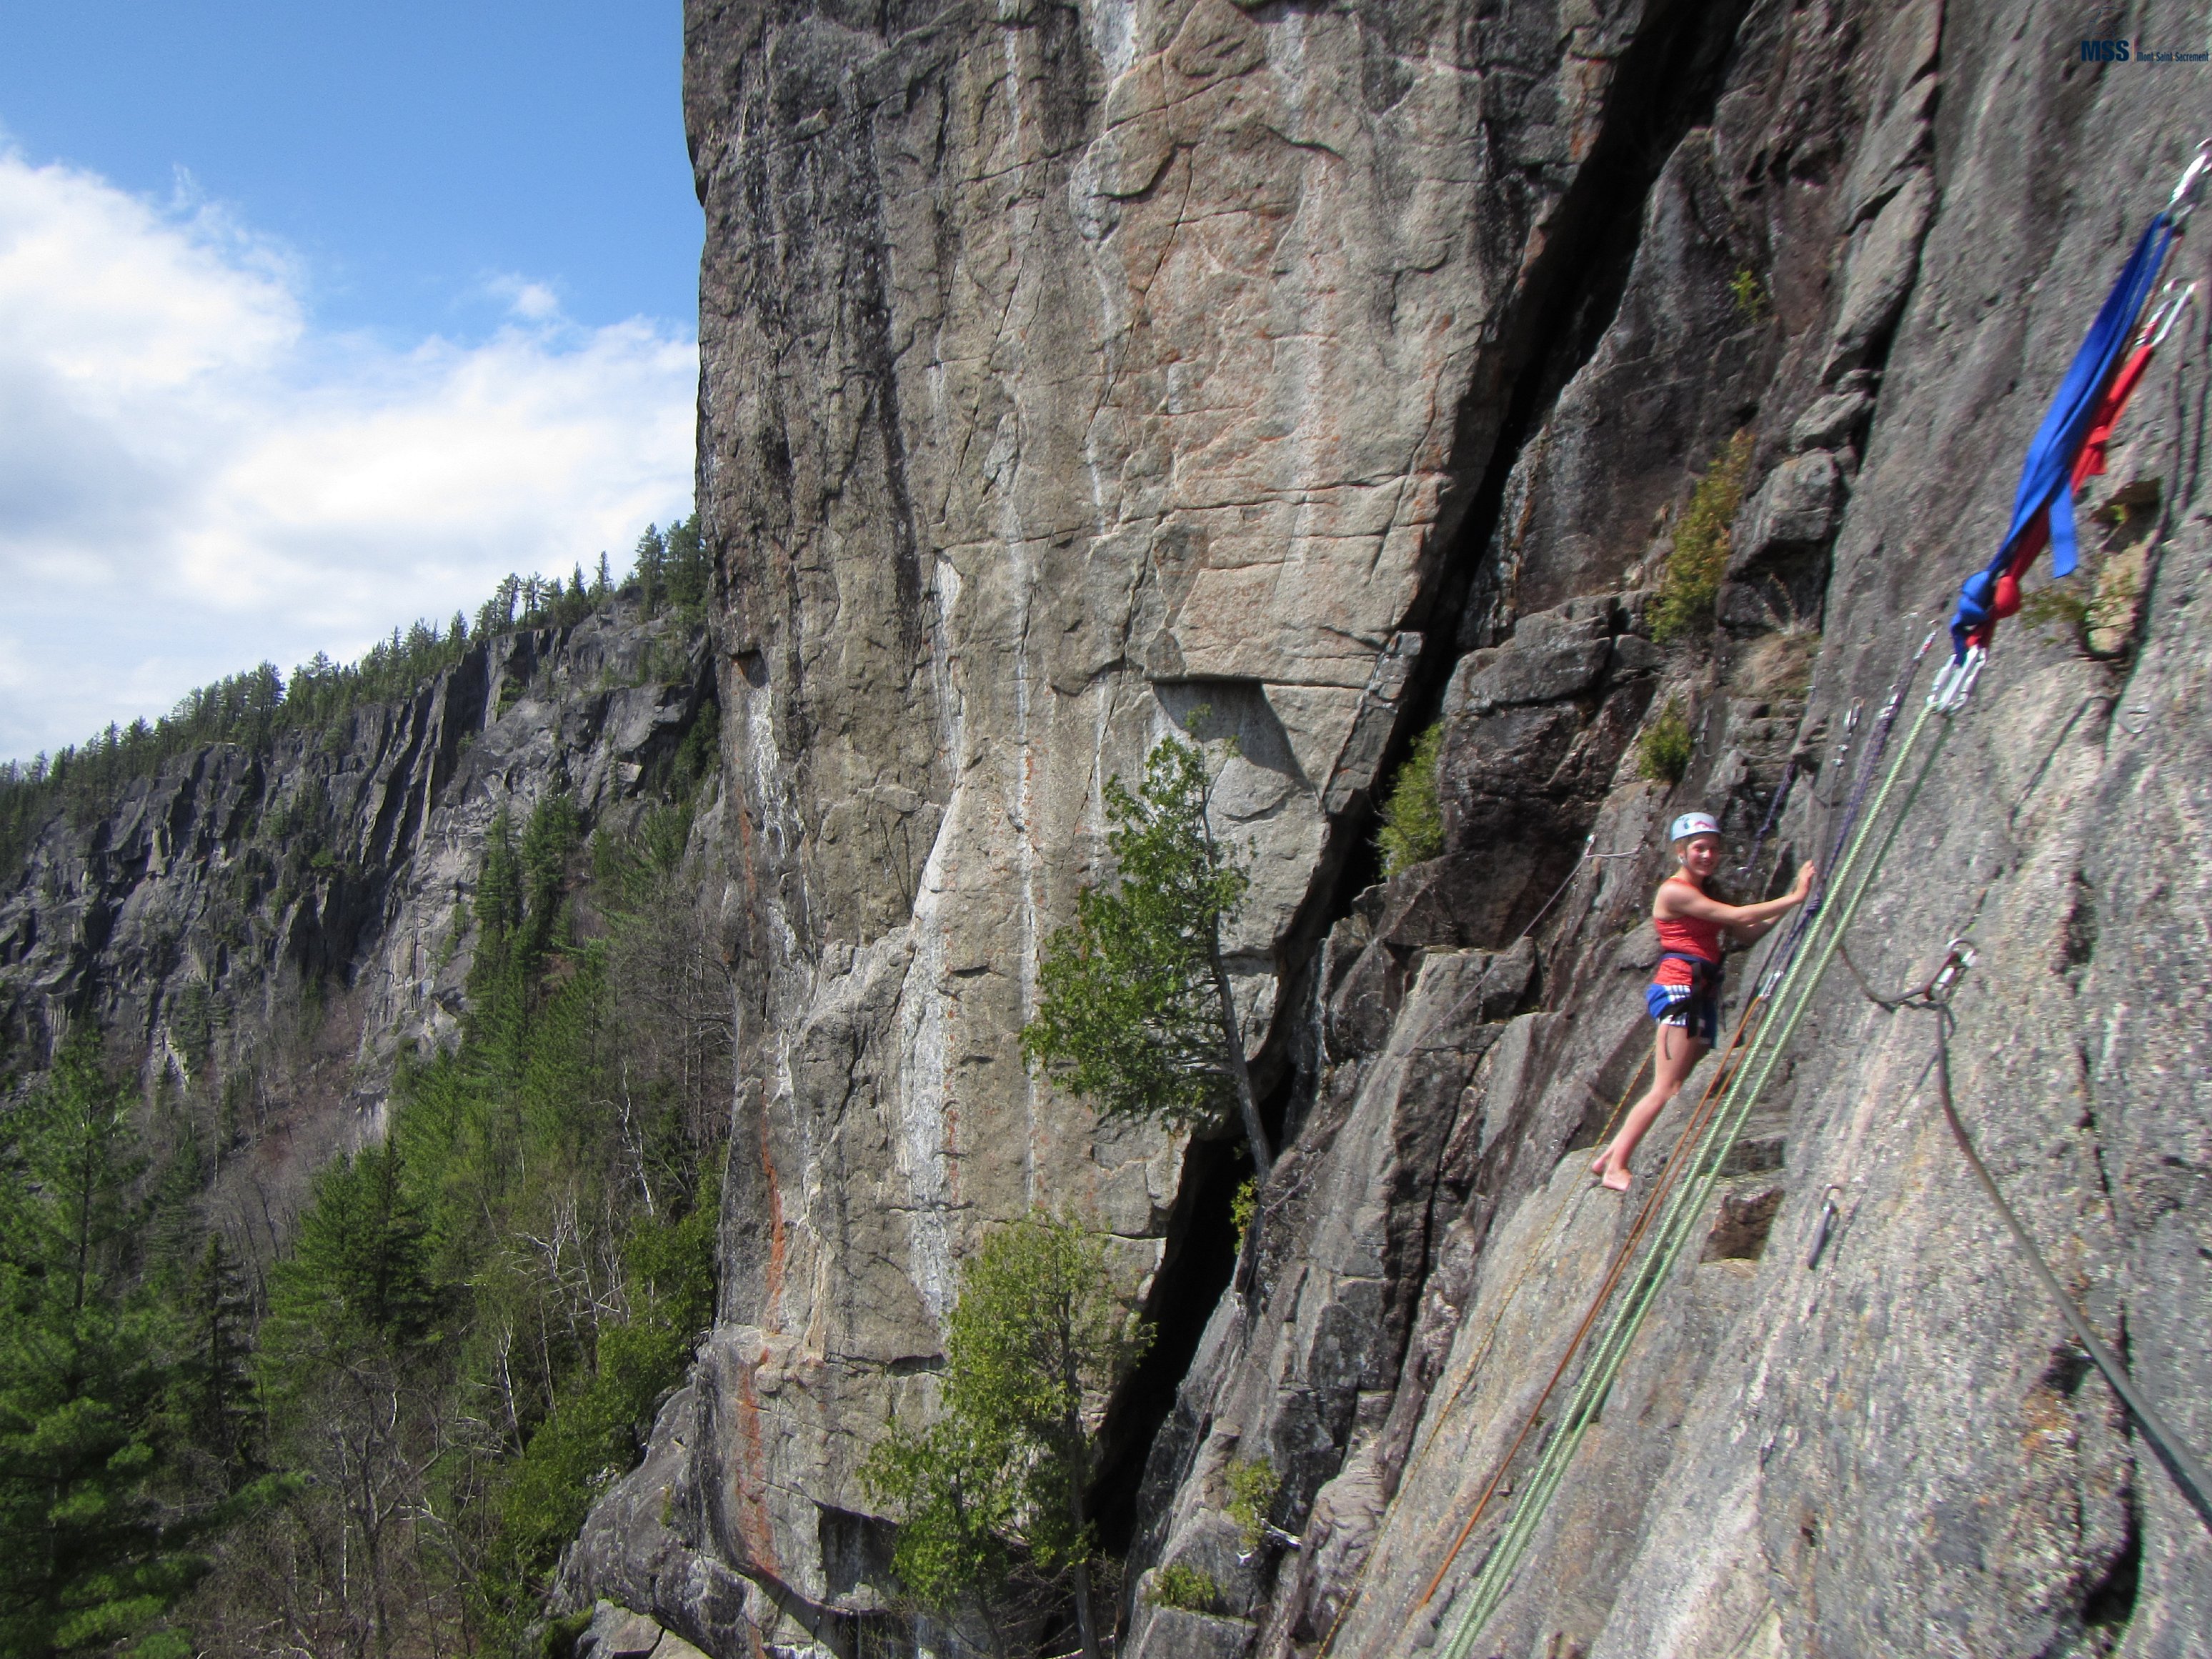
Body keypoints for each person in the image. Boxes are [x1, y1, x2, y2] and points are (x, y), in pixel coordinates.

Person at [1589, 812, 1815, 1192]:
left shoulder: (1706, 893)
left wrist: (1792, 907)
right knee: (1667, 1087)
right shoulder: (1675, 891)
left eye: (1713, 848)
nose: (1708, 855)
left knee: (1676, 1082)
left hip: (1698, 991)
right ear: (1681, 851)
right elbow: (1738, 915)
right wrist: (1794, 896)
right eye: (1699, 848)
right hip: (1681, 990)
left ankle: (1609, 1156)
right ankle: (1617, 1167)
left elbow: (1747, 932)